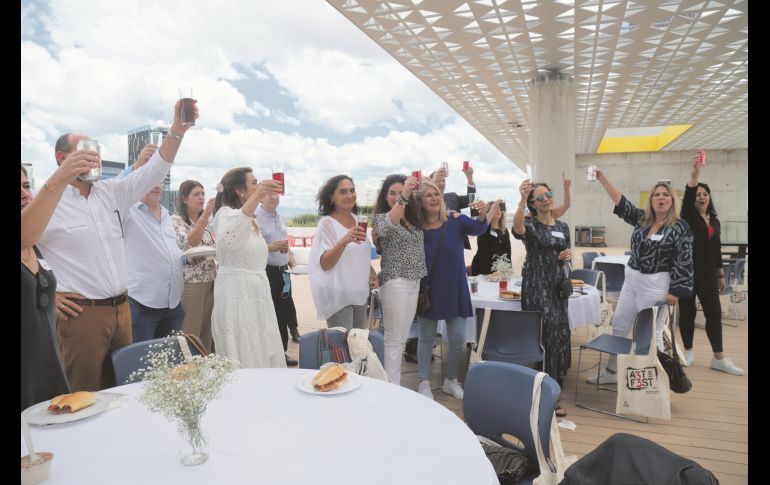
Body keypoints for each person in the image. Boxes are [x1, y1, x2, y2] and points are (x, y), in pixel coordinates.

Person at [35, 99, 197, 391]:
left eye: (96, 153)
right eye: (85, 153)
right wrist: (47, 295)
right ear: (62, 158)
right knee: (84, 392)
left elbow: (155, 169)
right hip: (82, 316)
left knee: (125, 388)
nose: (94, 159)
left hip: (123, 311)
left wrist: (177, 130)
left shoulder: (110, 193)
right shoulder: (46, 202)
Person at [588, 169, 694, 385]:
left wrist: (676, 290)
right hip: (632, 282)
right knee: (619, 325)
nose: (661, 198)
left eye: (665, 194)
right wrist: (601, 177)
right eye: (656, 194)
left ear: (673, 200)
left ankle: (656, 382)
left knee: (650, 334)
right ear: (651, 200)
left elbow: (684, 260)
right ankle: (612, 372)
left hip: (656, 284)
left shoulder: (680, 227)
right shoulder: (642, 219)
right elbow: (621, 201)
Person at [21, 159, 90, 409]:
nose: (24, 193)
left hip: (50, 366)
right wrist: (60, 179)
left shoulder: (36, 243)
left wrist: (53, 297)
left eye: (26, 185)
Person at [416, 180, 489, 400]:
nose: (434, 198)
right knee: (426, 338)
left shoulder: (455, 220)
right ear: (420, 201)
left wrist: (483, 215)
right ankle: (424, 382)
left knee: (457, 339)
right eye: (428, 195)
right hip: (428, 290)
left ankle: (451, 380)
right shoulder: (417, 227)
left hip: (455, 287)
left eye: (436, 194)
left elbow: (479, 228)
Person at [210, 167, 286, 368]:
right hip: (236, 295)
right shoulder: (225, 214)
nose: (259, 186)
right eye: (254, 183)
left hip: (256, 293)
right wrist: (260, 194)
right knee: (244, 349)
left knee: (261, 345)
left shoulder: (252, 220)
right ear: (239, 190)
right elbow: (229, 240)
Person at [513, 179, 572, 417]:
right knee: (546, 335)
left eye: (548, 194)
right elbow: (517, 229)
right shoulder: (529, 223)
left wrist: (566, 255)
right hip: (537, 286)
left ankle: (552, 387)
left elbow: (564, 251)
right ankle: (544, 393)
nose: (546, 198)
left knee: (559, 335)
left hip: (557, 286)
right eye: (540, 197)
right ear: (533, 204)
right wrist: (520, 200)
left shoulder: (563, 226)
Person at [678, 159, 743, 375]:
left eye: (705, 194)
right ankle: (687, 351)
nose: (702, 197)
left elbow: (716, 248)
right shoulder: (687, 215)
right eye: (698, 195)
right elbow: (688, 195)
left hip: (707, 274)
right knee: (686, 313)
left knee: (714, 314)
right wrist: (695, 174)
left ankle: (719, 357)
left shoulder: (714, 220)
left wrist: (720, 273)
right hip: (687, 272)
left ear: (710, 198)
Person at [372, 174, 425, 385]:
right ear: (385, 197)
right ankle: (391, 388)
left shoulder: (412, 219)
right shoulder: (382, 218)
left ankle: (394, 383)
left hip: (414, 281)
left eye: (399, 192)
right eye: (391, 193)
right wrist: (403, 196)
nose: (396, 197)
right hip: (395, 281)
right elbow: (386, 227)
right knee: (394, 339)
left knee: (402, 338)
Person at [309, 175, 379, 329]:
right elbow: (325, 264)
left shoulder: (357, 219)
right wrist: (343, 241)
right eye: (343, 192)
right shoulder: (326, 223)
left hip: (359, 293)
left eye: (352, 191)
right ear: (331, 197)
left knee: (358, 345)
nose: (350, 195)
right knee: (343, 348)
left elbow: (358, 253)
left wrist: (370, 270)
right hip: (338, 295)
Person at [171, 180, 217, 353]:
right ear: (184, 198)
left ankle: (205, 374)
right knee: (191, 334)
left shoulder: (201, 222)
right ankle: (188, 373)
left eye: (203, 194)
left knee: (206, 334)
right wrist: (206, 215)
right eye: (196, 194)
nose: (201, 198)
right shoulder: (176, 221)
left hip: (210, 281)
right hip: (192, 284)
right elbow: (190, 242)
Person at [255, 192, 300, 367]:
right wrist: (270, 247)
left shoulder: (280, 217)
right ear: (260, 197)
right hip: (266, 271)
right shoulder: (255, 218)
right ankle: (268, 354)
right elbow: (249, 248)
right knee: (268, 315)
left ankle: (282, 353)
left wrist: (294, 265)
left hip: (283, 272)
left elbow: (285, 245)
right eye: (268, 194)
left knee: (283, 313)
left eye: (275, 195)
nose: (273, 197)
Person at [430, 164, 477, 249]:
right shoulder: (424, 202)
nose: (441, 183)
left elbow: (470, 199)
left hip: (456, 245)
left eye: (443, 181)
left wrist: (470, 178)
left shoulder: (453, 197)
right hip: (435, 246)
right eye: (438, 181)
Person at [470, 199, 511, 276]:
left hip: (499, 271)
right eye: (495, 208)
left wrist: (507, 269)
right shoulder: (483, 229)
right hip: (482, 269)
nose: (498, 210)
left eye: (499, 208)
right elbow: (482, 244)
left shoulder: (504, 230)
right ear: (489, 212)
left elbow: (507, 252)